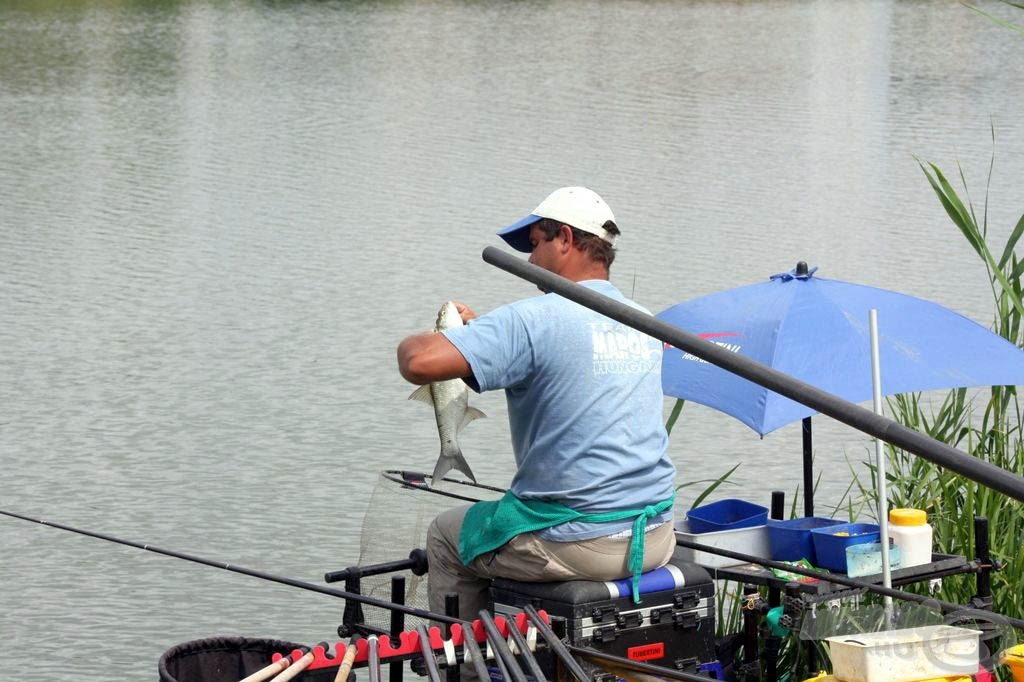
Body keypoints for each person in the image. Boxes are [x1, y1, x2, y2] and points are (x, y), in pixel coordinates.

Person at [396, 186, 676, 624]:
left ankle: (470, 671)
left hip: (579, 542)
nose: (529, 261)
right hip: (656, 534)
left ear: (564, 238)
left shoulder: (532, 319)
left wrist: (428, 335)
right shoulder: (644, 321)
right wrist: (480, 335)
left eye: (535, 244)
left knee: (446, 537)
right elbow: (559, 353)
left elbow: (418, 363)